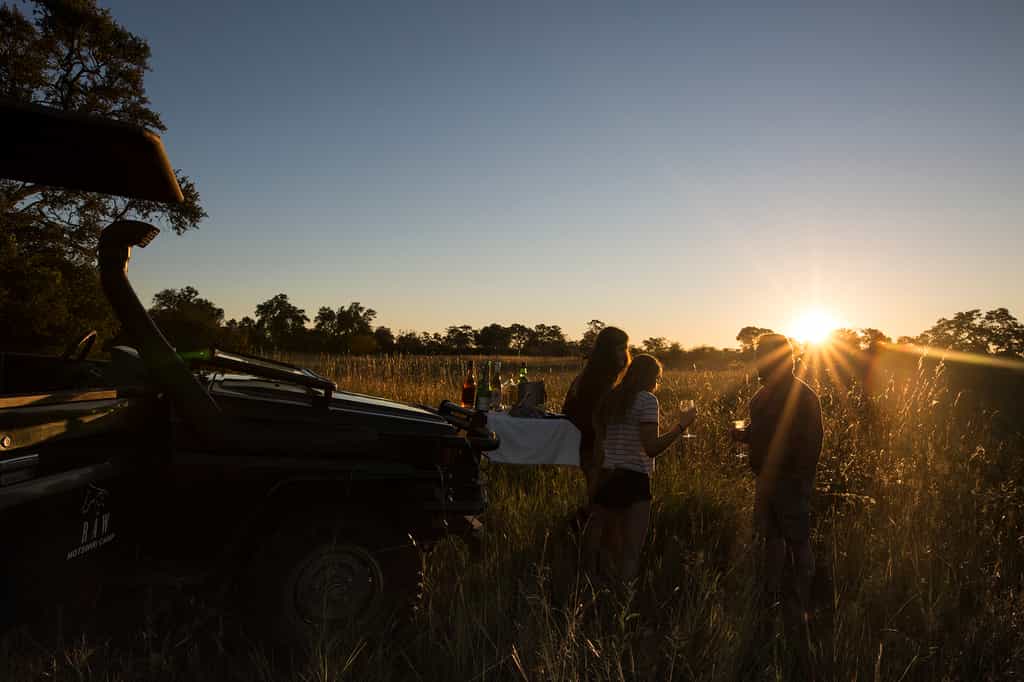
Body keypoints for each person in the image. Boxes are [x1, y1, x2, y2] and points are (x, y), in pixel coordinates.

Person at [731, 333, 823, 626]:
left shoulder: (803, 395)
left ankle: (803, 601)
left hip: (790, 482)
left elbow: (812, 442)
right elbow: (762, 433)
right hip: (766, 481)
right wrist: (743, 436)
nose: (757, 361)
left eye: (761, 356)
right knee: (772, 538)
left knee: (797, 540)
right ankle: (771, 596)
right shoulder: (762, 396)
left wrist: (799, 481)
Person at [593, 354, 697, 582]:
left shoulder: (611, 398)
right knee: (631, 551)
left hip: (607, 477)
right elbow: (650, 447)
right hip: (633, 480)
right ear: (651, 378)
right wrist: (681, 426)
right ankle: (623, 600)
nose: (657, 384)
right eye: (658, 379)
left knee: (609, 548)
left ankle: (602, 598)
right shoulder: (647, 400)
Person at [563, 326, 631, 501]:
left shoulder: (596, 374)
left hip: (590, 444)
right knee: (600, 499)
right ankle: (583, 524)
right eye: (621, 348)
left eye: (626, 348)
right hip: (594, 446)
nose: (625, 354)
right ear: (608, 351)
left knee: (600, 497)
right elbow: (594, 418)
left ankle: (584, 523)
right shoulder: (597, 380)